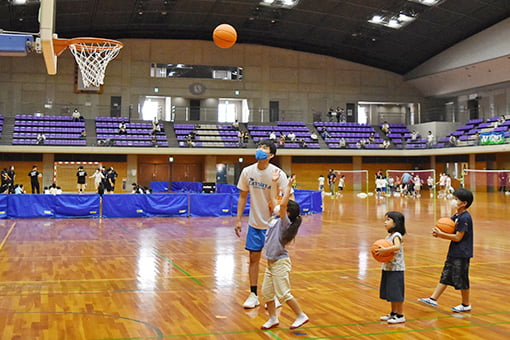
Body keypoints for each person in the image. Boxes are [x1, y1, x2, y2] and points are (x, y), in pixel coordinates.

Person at [235, 139, 290, 309]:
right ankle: (253, 294)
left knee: (273, 261)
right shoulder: (247, 171)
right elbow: (243, 196)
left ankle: (271, 296)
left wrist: (281, 213)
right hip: (254, 223)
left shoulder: (278, 173)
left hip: (273, 225)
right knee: (253, 258)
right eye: (259, 147)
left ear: (271, 155)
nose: (260, 150)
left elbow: (290, 197)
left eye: (265, 148)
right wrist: (238, 219)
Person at [260, 172, 309, 330]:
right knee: (267, 293)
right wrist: (274, 183)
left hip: (280, 263)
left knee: (283, 294)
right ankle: (273, 318)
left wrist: (288, 187)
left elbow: (281, 204)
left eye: (283, 206)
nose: (279, 204)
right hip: (270, 263)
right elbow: (275, 200)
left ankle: (301, 315)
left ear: (287, 213)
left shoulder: (284, 222)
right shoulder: (275, 219)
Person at [419, 188, 474, 313]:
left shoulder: (465, 218)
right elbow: (448, 229)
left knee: (461, 278)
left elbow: (458, 237)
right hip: (454, 251)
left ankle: (466, 304)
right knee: (446, 275)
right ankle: (433, 298)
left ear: (464, 203)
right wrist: (439, 231)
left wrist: (441, 235)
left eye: (456, 199)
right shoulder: (456, 216)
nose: (453, 201)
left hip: (462, 253)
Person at [374, 211, 407, 324]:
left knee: (397, 293)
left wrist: (384, 250)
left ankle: (400, 315)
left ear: (396, 223)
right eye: (385, 220)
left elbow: (396, 247)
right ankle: (393, 313)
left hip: (396, 269)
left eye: (388, 220)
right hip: (388, 267)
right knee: (391, 293)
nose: (385, 222)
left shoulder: (396, 235)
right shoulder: (389, 235)